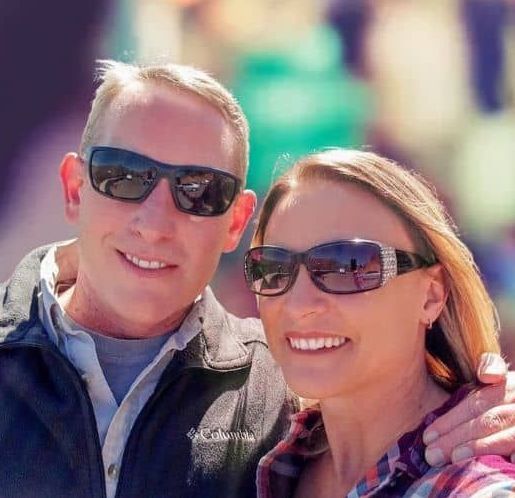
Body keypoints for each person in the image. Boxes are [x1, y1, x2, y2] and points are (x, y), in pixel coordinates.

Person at [0, 60, 515, 498]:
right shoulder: (296, 447)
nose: (154, 223)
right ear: (73, 188)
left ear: (234, 223)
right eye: (124, 177)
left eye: (199, 191)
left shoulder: (277, 389)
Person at [244, 148, 515, 497]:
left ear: (431, 296)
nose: (298, 305)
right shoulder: (255, 455)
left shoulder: (473, 486)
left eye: (349, 265)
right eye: (274, 267)